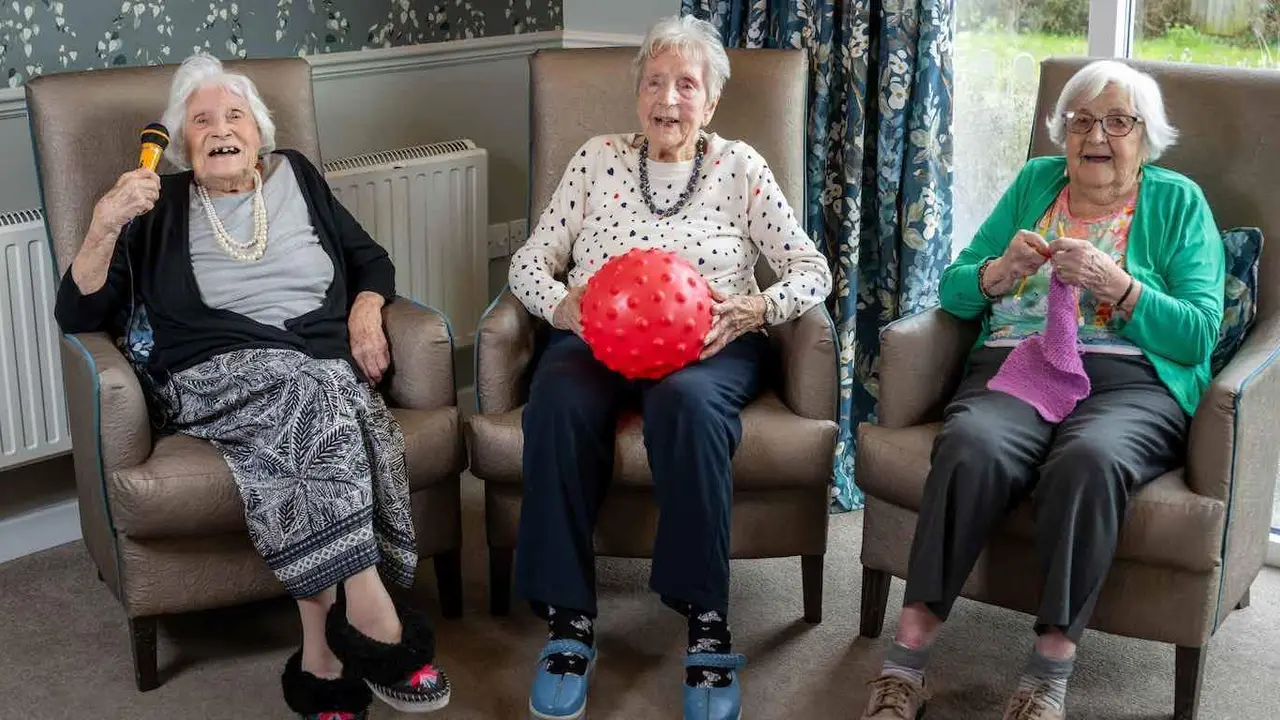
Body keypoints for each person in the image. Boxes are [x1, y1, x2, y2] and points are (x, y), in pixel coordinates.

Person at [54, 53, 451, 720]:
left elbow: (369, 260)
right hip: (210, 371)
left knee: (306, 410)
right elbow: (79, 315)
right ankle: (374, 613)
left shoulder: (296, 174)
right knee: (317, 391)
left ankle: (323, 661)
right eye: (201, 121)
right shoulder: (154, 204)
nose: (220, 129)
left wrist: (364, 307)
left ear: (259, 134)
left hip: (313, 367)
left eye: (234, 115)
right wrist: (102, 224)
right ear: (182, 145)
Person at [859, 60, 1225, 720]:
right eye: (1081, 120)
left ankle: (1047, 676)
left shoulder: (1177, 202)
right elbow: (955, 288)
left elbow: (1201, 332)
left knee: (1089, 462)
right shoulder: (1035, 182)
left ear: (1146, 137)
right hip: (1018, 365)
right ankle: (905, 663)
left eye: (1118, 121)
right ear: (1062, 135)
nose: (1097, 134)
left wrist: (1122, 288)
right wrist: (1000, 273)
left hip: (1131, 384)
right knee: (970, 444)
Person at [507, 14, 833, 720]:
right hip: (597, 337)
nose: (670, 98)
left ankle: (707, 623)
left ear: (711, 101)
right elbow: (530, 260)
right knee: (556, 402)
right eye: (656, 81)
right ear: (637, 95)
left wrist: (756, 310)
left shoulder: (741, 167)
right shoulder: (595, 159)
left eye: (688, 84)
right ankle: (569, 623)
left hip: (710, 340)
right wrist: (564, 308)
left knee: (686, 407)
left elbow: (813, 269)